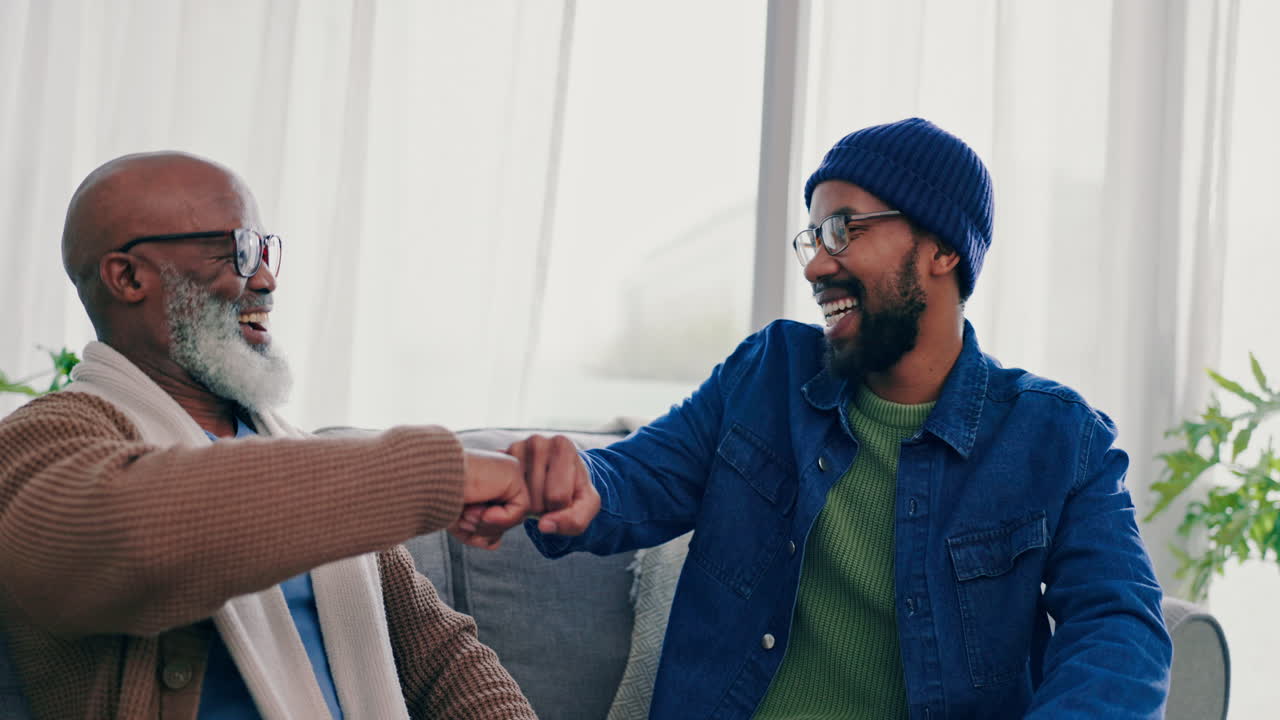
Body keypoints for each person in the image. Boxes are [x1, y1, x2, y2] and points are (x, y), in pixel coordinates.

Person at [487, 118, 1174, 718]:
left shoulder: (1058, 438)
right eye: (812, 237)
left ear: (943, 250)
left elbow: (1119, 628)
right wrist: (576, 483)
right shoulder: (768, 373)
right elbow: (637, 475)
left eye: (843, 230)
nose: (816, 265)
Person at [0, 152, 538, 719]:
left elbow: (443, 659)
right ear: (129, 277)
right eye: (238, 251)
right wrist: (436, 472)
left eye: (263, 249)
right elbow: (133, 539)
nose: (265, 278)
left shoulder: (303, 456)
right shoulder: (41, 440)